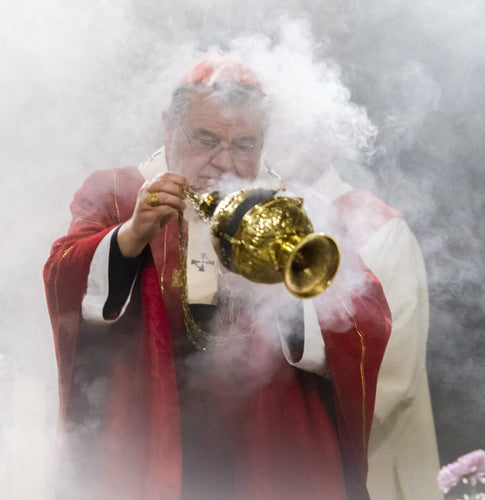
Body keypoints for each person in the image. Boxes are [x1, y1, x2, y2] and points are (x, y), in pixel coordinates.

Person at [43, 55, 439, 500]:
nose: (224, 163)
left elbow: (366, 319)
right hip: (151, 439)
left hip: (267, 451)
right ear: (168, 127)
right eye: (206, 140)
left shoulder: (301, 210)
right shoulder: (117, 193)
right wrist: (132, 235)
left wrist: (288, 290)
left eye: (244, 145)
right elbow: (62, 275)